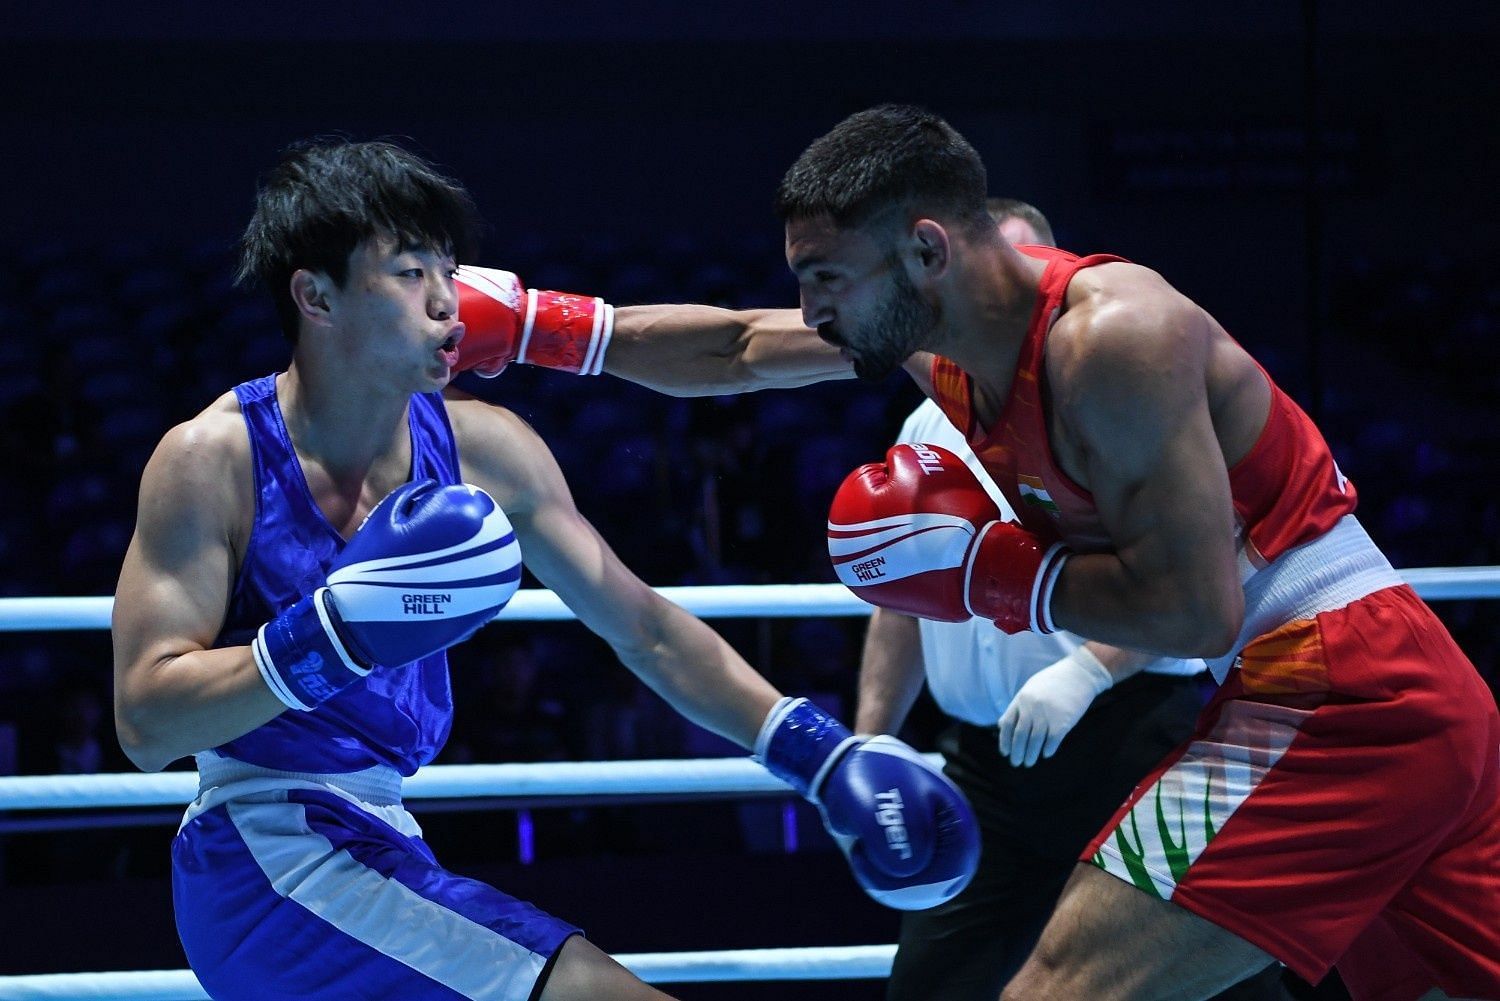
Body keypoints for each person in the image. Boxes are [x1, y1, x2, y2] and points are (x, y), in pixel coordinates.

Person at [451, 107, 1499, 1000]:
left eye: (826, 278)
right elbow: (737, 348)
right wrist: (543, 329)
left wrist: (988, 575)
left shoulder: (1113, 338)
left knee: (1057, 985)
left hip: (1333, 690)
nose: (813, 309)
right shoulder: (944, 337)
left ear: (925, 248)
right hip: (1357, 689)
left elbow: (1196, 612)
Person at [110, 138, 980, 1001]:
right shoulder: (213, 458)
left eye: (449, 268)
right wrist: (324, 638)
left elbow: (641, 626)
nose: (448, 299)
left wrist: (819, 755)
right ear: (316, 294)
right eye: (410, 272)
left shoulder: (486, 448)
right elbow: (146, 723)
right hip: (264, 852)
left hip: (383, 836)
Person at [858, 200, 1257, 1001]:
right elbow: (904, 596)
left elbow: (1201, 572)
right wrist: (869, 742)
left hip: (1130, 735)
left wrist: (1088, 673)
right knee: (930, 986)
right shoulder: (927, 417)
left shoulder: (1106, 395)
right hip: (983, 765)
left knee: (1204, 980)